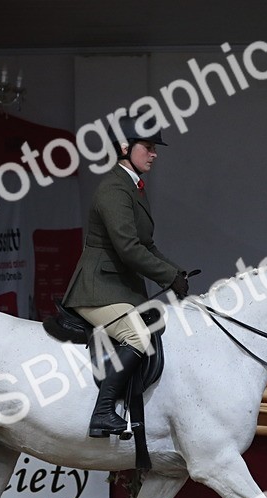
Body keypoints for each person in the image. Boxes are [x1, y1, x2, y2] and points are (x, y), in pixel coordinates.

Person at [61, 117, 189, 438]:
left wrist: (174, 273)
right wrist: (168, 277)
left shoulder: (133, 187)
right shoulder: (114, 189)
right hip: (97, 289)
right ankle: (103, 412)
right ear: (124, 148)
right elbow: (129, 249)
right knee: (138, 337)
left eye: (153, 148)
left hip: (118, 288)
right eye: (147, 147)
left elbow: (147, 245)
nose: (154, 154)